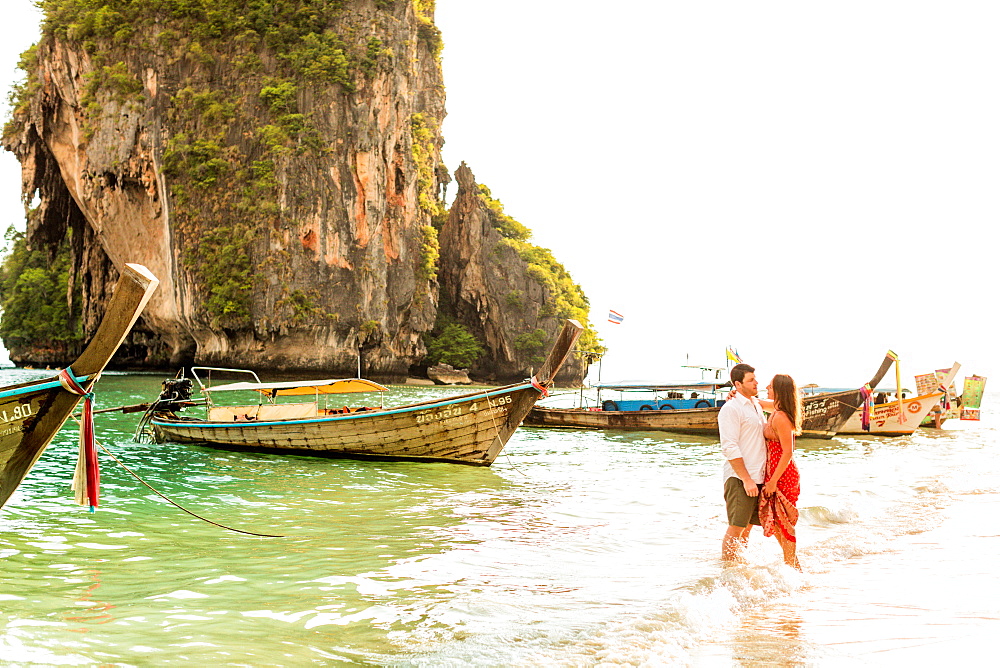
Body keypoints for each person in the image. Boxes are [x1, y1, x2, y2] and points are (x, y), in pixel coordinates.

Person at [717, 363, 767, 563]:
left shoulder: (754, 403)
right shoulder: (731, 408)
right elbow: (729, 447)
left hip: (757, 476)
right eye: (751, 380)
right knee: (736, 526)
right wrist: (746, 479)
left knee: (747, 527)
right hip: (740, 477)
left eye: (755, 378)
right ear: (738, 384)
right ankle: (728, 569)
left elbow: (782, 404)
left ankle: (740, 565)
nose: (756, 383)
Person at [759, 374, 802, 569]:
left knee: (783, 524)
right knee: (778, 523)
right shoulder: (776, 410)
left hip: (782, 475)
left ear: (778, 390)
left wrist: (773, 481)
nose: (767, 386)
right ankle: (793, 568)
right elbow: (758, 402)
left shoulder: (782, 417)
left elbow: (788, 452)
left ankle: (794, 569)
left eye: (771, 385)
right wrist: (737, 394)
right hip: (775, 473)